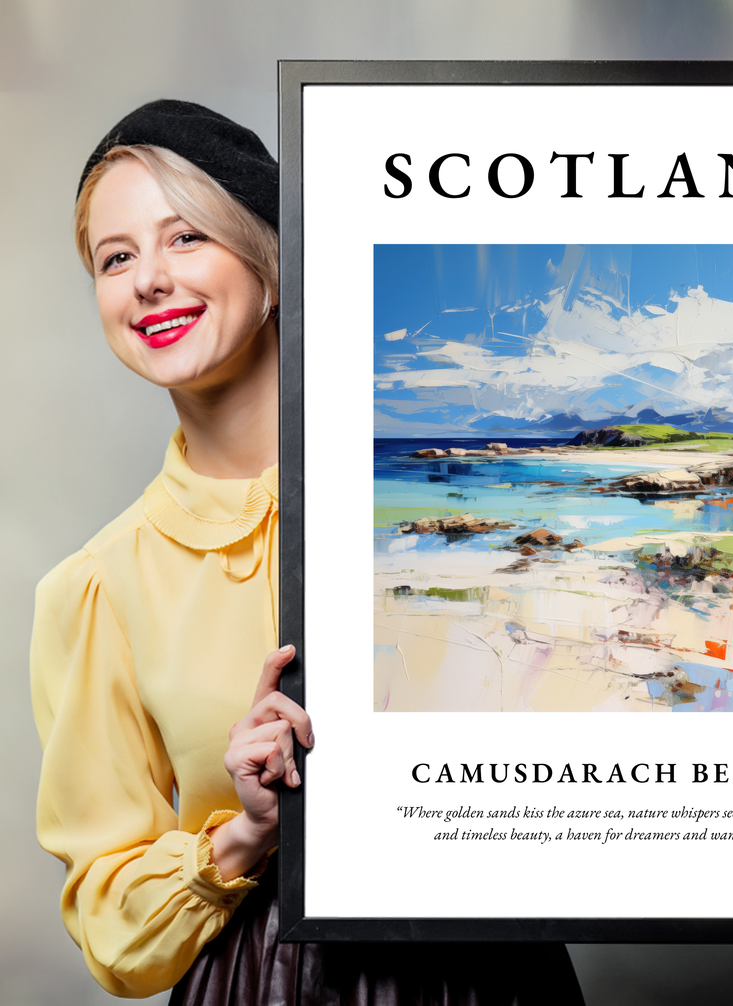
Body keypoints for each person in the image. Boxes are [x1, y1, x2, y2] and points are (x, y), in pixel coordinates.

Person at [30, 100, 586, 1004]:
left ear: (273, 263)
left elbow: (614, 694)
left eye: (185, 238)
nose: (148, 281)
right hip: (262, 982)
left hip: (492, 973)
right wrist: (245, 832)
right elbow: (110, 923)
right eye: (116, 257)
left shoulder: (452, 493)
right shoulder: (97, 587)